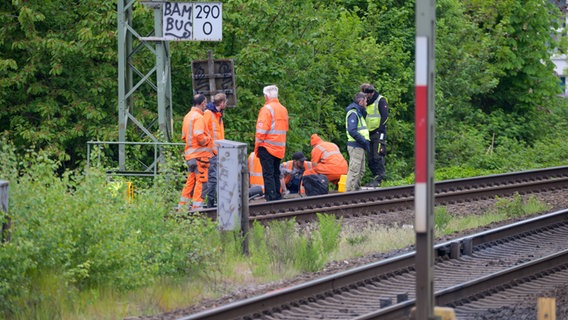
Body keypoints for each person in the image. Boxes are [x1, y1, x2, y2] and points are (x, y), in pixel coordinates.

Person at [254, 85, 289, 201]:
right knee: (275, 172)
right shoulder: (283, 109)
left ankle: (271, 197)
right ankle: (277, 195)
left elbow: (261, 131)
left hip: (267, 146)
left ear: (267, 96)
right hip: (279, 147)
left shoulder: (267, 109)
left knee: (268, 173)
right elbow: (285, 128)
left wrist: (257, 145)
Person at [178, 94, 212, 210]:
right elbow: (199, 136)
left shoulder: (187, 116)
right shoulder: (199, 117)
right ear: (202, 103)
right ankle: (197, 207)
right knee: (201, 181)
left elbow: (184, 137)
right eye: (205, 103)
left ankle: (182, 206)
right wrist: (208, 139)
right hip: (200, 157)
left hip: (190, 156)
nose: (206, 105)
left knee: (190, 181)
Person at [361, 83, 389, 187]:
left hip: (378, 132)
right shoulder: (366, 102)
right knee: (370, 158)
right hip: (369, 133)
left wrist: (381, 130)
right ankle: (375, 177)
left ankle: (380, 178)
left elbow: (385, 116)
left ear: (370, 93)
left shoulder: (380, 100)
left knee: (378, 156)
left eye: (365, 93)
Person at [203, 93, 227, 208]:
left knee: (217, 177)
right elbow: (204, 132)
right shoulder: (209, 114)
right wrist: (211, 148)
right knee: (212, 178)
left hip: (219, 151)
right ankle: (210, 203)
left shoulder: (218, 115)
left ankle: (214, 201)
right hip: (212, 152)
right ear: (222, 103)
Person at [345, 92, 370, 192]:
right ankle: (349, 192)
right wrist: (363, 141)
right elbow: (352, 130)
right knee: (354, 170)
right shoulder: (353, 113)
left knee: (361, 170)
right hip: (356, 145)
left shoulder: (358, 112)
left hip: (360, 146)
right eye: (365, 101)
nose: (367, 103)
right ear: (360, 102)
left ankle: (355, 191)